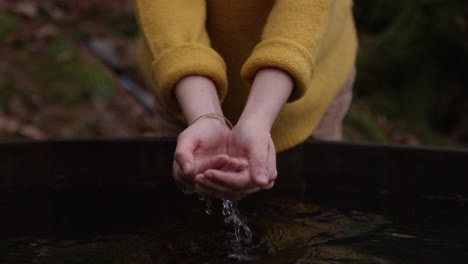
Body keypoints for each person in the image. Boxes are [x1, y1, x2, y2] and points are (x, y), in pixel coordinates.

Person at [134, 0, 358, 201]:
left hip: (311, 91)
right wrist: (204, 115)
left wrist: (259, 118)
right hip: (182, 86)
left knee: (315, 209)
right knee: (183, 217)